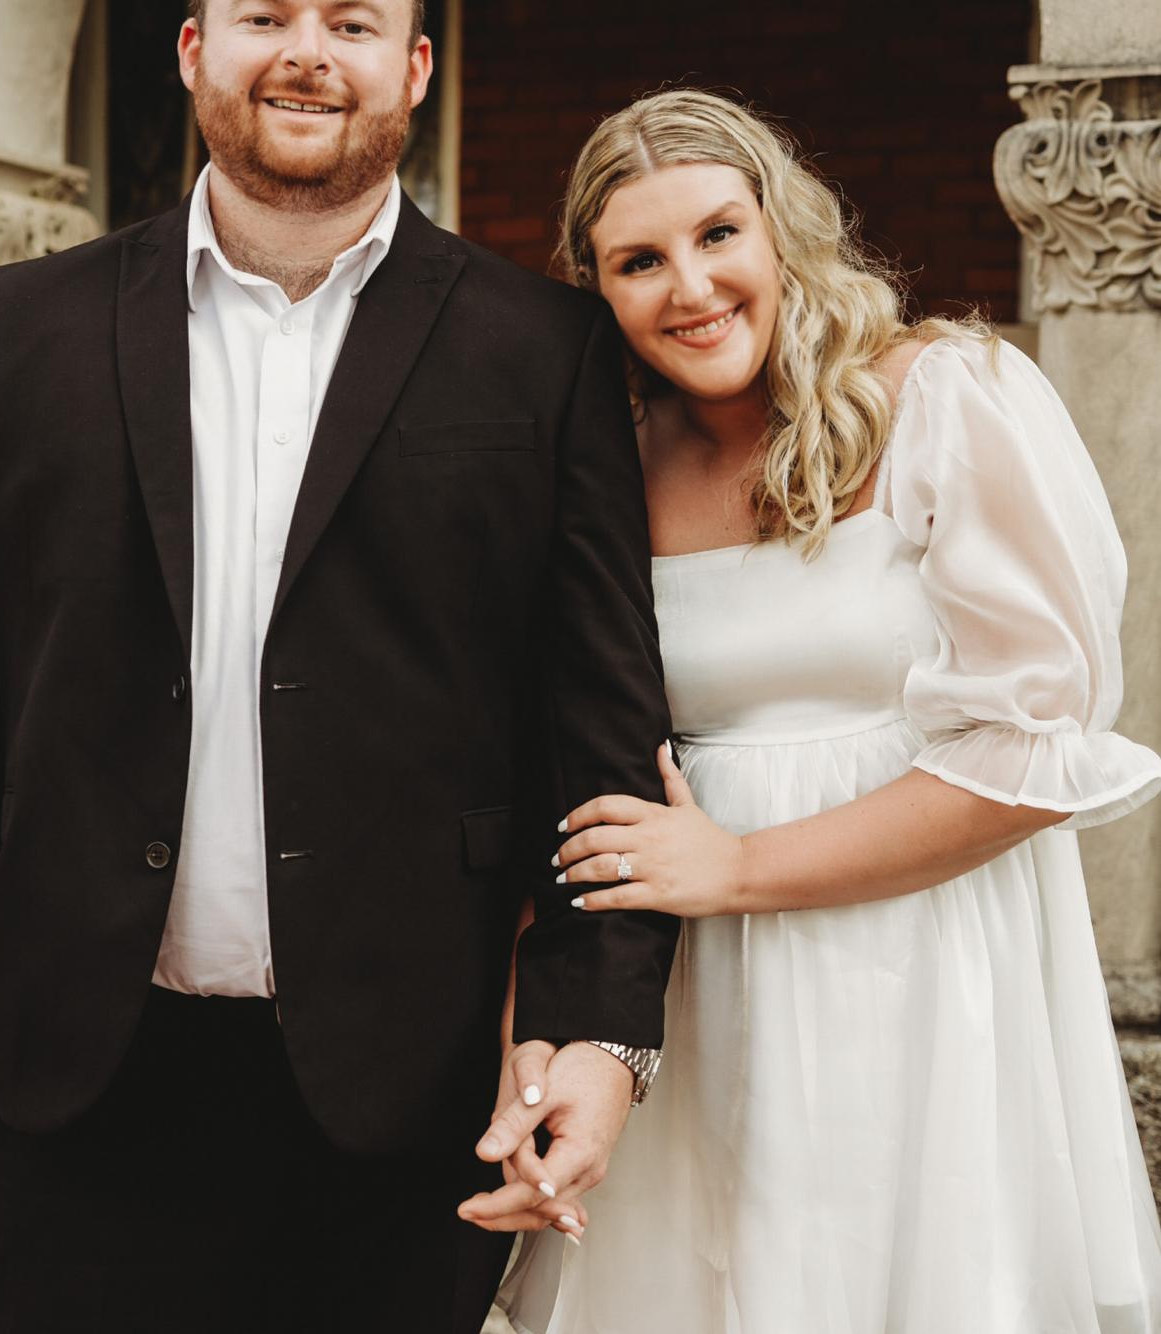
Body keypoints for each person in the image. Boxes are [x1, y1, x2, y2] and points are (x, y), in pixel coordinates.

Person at [0, 4, 679, 1330]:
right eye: (266, 15)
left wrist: (597, 1026)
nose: (308, 52)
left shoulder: (546, 349)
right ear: (193, 49)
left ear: (412, 69)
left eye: (353, 22)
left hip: (409, 1092)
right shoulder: (18, 324)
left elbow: (599, 729)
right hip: (75, 1085)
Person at [497, 89, 1161, 1334]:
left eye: (717, 234)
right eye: (638, 261)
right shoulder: (608, 462)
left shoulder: (946, 394)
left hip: (919, 968)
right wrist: (546, 1023)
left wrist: (739, 863)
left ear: (779, 227)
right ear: (595, 289)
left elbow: (1027, 756)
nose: (690, 287)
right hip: (696, 992)